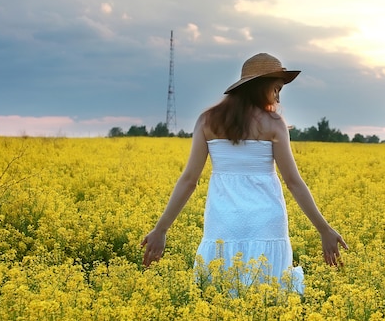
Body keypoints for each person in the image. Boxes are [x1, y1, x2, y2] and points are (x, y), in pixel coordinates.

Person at [141, 53, 348, 292]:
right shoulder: (273, 124)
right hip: (267, 222)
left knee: (219, 296)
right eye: (276, 89)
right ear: (260, 87)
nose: (278, 97)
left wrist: (161, 229)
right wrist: (324, 229)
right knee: (269, 298)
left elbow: (189, 181)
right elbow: (293, 182)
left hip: (223, 222)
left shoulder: (207, 121)